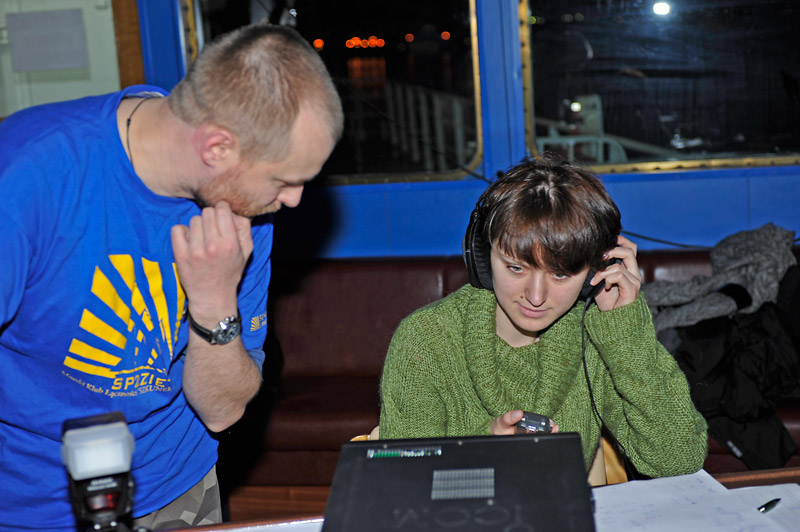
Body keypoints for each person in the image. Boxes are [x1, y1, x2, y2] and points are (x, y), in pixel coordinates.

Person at [0, 23, 342, 532]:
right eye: (285, 180)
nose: (293, 200)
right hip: (31, 507)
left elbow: (223, 410)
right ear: (218, 148)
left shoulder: (246, 211)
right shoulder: (26, 177)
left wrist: (213, 302)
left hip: (180, 485)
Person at [379, 157, 707, 478]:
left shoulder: (596, 334)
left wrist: (626, 334)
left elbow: (678, 460)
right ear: (482, 257)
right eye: (516, 268)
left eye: (561, 274)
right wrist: (482, 447)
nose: (536, 297)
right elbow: (405, 482)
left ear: (595, 271)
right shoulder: (425, 340)